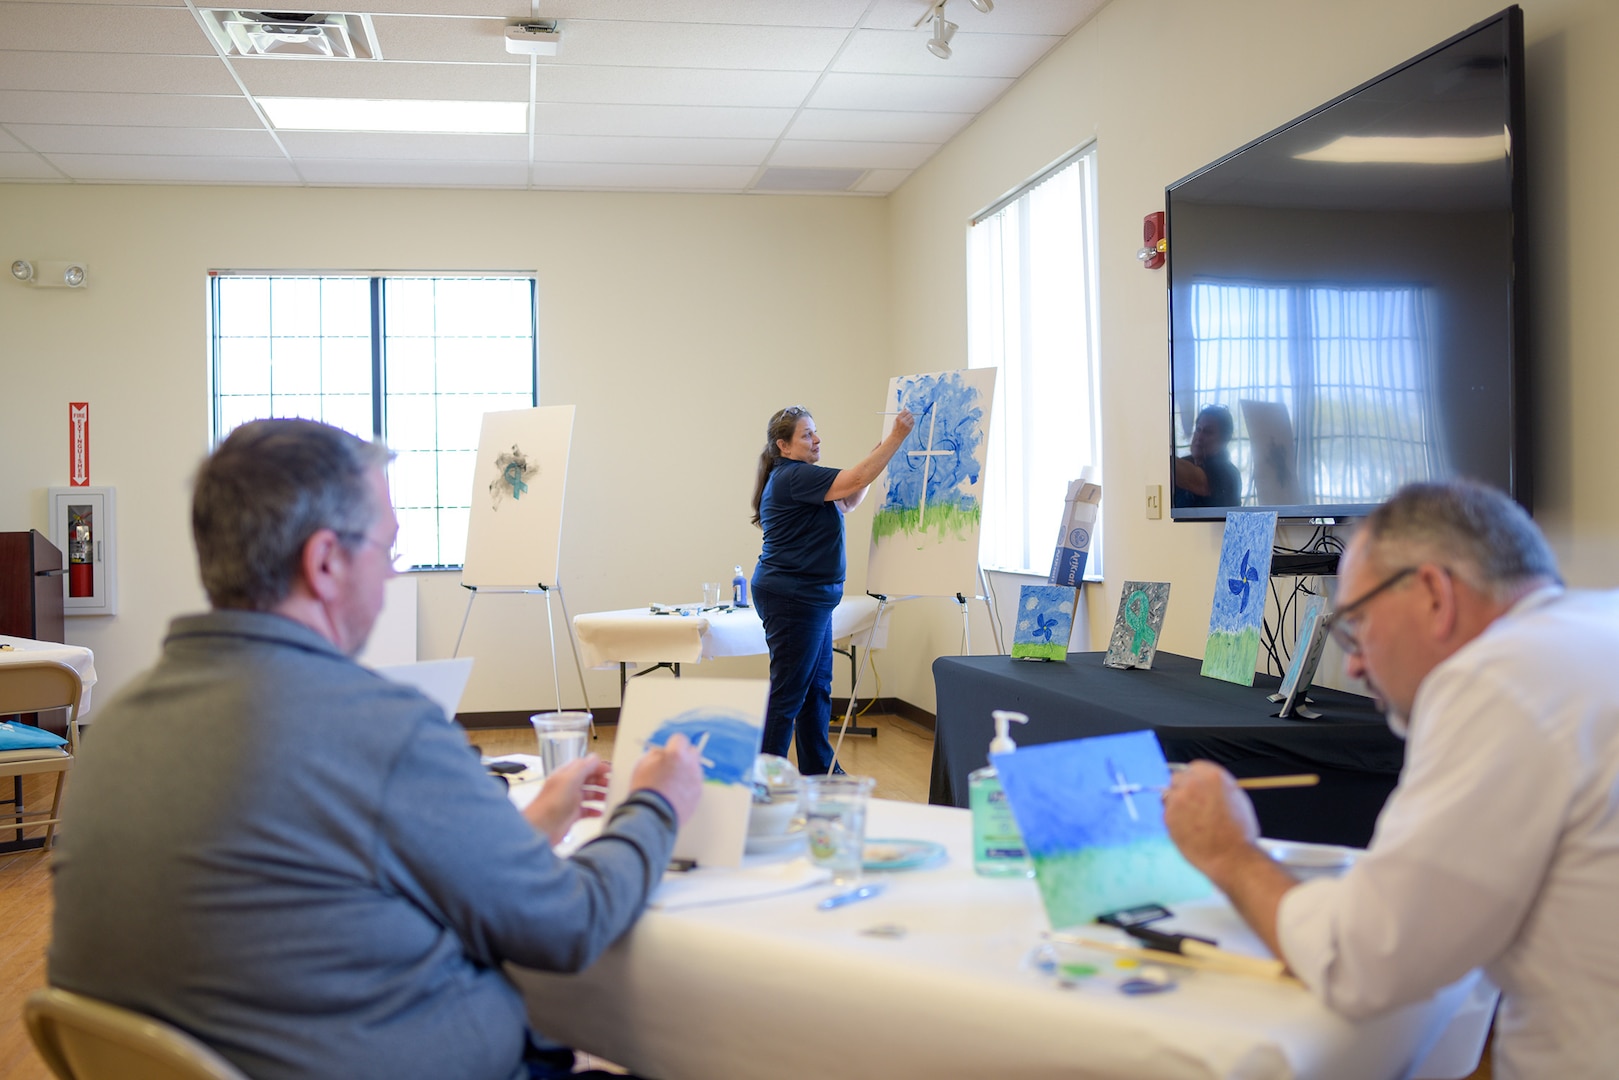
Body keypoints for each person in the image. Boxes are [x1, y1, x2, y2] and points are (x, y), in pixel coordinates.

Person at [48, 419, 705, 1080]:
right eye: (388, 548)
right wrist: (654, 802)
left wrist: (524, 831)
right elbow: (571, 925)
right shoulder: (378, 729)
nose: (392, 572)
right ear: (326, 561)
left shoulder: (113, 731)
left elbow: (320, 889)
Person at [1163, 480, 1619, 1079]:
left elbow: (1365, 958)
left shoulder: (1496, 679)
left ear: (1433, 592)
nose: (1351, 660)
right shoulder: (1593, 627)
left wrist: (1231, 854)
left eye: (1355, 622)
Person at [749, 405, 915, 774]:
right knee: (790, 693)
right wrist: (895, 439)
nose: (817, 439)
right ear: (784, 445)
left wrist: (877, 457)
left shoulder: (801, 476)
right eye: (807, 434)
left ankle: (819, 773)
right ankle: (763, 781)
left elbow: (848, 500)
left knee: (816, 689)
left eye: (815, 432)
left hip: (811, 599)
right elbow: (854, 482)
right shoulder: (793, 476)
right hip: (794, 598)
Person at [1171, 403, 1241, 508]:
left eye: (1208, 432)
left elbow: (1196, 480)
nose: (1199, 437)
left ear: (1224, 439)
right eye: (1198, 429)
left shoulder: (1228, 473)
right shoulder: (1184, 463)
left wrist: (1159, 455)